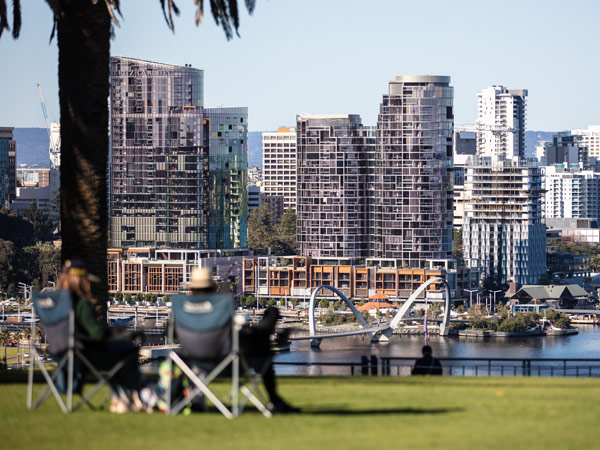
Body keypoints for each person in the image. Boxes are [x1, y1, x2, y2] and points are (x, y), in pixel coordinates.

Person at [187, 267, 300, 413]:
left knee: (260, 341)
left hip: (195, 363)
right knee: (270, 319)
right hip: (229, 363)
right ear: (212, 289)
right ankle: (274, 399)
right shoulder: (219, 307)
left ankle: (191, 401)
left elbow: (171, 332)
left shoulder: (182, 311)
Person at [56, 259, 146, 413]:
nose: (90, 285)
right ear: (82, 281)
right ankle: (124, 397)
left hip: (61, 354)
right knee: (128, 349)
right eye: (88, 281)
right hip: (87, 356)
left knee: (123, 352)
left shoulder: (57, 305)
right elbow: (97, 335)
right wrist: (115, 332)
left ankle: (120, 397)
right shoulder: (82, 304)